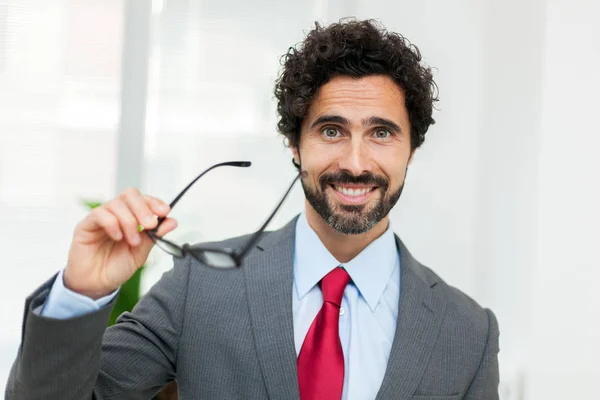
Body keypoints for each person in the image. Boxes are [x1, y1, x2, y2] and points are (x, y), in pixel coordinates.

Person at [5, 19, 499, 400]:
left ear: (412, 149)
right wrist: (79, 294)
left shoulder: (469, 332)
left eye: (382, 133)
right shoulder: (198, 285)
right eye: (331, 131)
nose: (355, 161)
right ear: (293, 145)